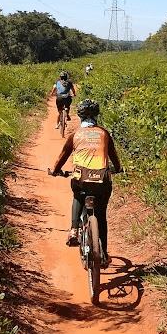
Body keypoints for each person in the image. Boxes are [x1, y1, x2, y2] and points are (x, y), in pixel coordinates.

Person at [50, 99, 123, 267]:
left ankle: (74, 229)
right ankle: (103, 253)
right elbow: (114, 155)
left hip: (81, 180)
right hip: (102, 181)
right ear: (97, 115)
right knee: (101, 216)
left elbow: (62, 156)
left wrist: (55, 170)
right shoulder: (104, 133)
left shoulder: (75, 134)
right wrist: (118, 168)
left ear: (79, 116)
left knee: (77, 195)